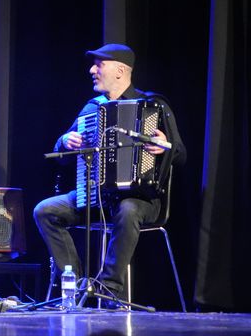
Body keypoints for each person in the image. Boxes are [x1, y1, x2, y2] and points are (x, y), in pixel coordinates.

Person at [33, 43, 186, 302]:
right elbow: (62, 158)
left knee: (127, 210)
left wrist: (164, 146)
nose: (92, 70)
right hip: (97, 198)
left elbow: (181, 155)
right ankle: (76, 286)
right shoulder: (92, 108)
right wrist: (65, 141)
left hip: (141, 199)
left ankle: (108, 288)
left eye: (99, 65)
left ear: (120, 71)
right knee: (45, 211)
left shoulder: (153, 105)